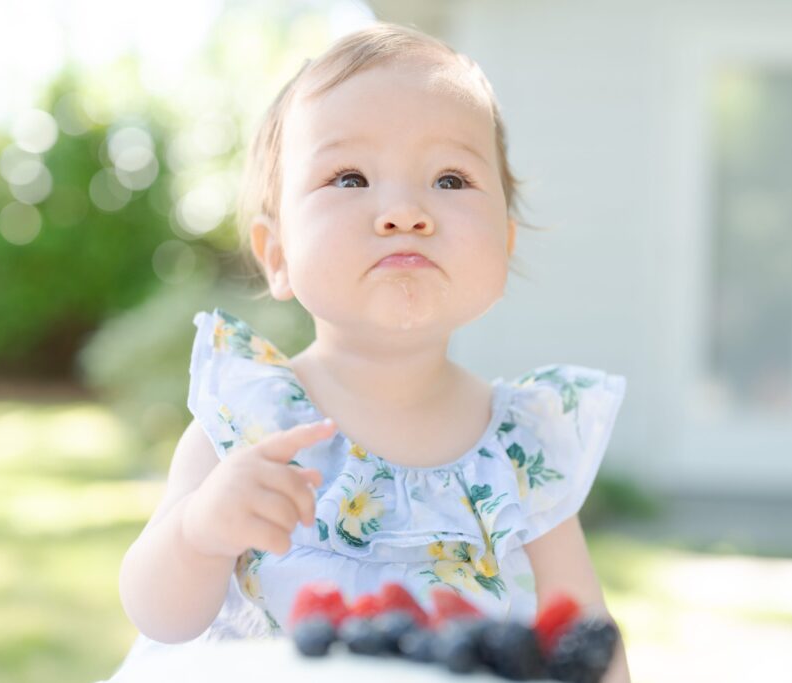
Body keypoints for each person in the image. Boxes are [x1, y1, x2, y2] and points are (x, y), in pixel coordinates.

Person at [111, 21, 631, 682]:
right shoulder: (249, 422)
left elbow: (585, 640)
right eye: (350, 177)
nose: (404, 211)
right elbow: (160, 615)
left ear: (503, 243)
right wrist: (199, 532)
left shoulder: (523, 451)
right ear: (278, 255)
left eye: (449, 178)